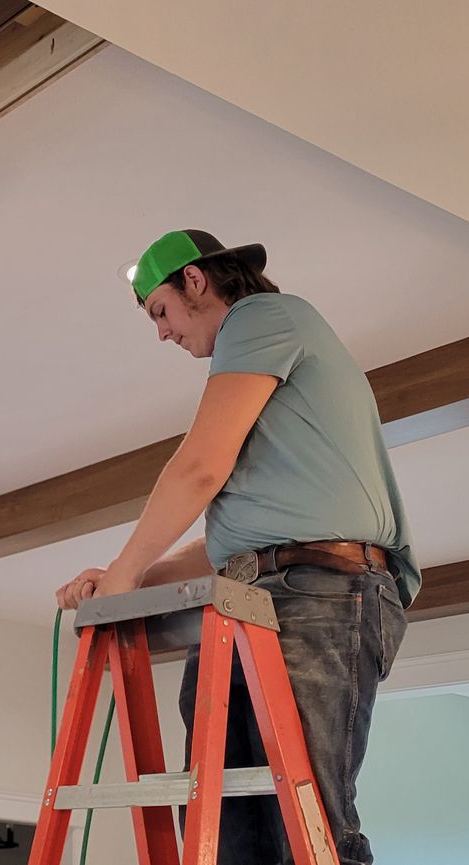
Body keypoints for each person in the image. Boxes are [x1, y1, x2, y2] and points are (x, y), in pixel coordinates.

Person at [55, 230, 417, 865]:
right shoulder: (267, 392)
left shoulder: (263, 316)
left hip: (319, 589)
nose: (162, 334)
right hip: (255, 591)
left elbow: (200, 466)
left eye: (160, 311)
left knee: (309, 827)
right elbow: (237, 542)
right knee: (232, 828)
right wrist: (128, 576)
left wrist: (128, 568)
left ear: (197, 281)